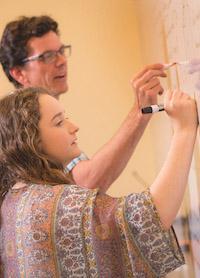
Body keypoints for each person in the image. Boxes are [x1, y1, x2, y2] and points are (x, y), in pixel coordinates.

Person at [0, 86, 198, 277]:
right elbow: (149, 218)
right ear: (30, 141)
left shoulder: (14, 201)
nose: (74, 127)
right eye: (59, 122)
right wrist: (184, 130)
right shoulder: (52, 204)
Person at [0, 15, 167, 192]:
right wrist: (140, 113)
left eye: (61, 50)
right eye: (48, 56)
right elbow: (87, 186)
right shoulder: (17, 133)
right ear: (19, 73)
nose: (62, 61)